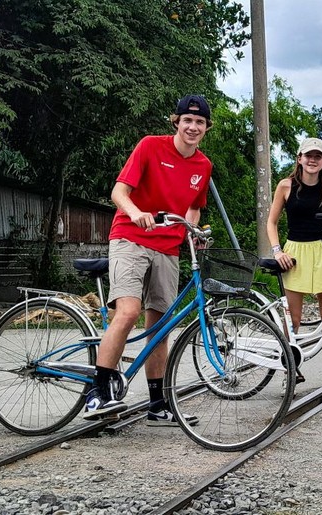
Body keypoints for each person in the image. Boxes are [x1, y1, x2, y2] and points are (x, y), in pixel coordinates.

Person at [83, 95, 213, 425]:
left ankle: (157, 404)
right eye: (187, 120)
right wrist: (137, 213)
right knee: (128, 311)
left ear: (206, 128)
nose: (192, 127)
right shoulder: (150, 147)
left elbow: (194, 207)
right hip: (131, 236)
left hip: (169, 247)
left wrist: (191, 230)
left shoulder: (203, 166)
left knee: (161, 328)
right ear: (177, 122)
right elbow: (118, 193)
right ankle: (96, 393)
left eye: (199, 122)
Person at [266, 137, 322, 391]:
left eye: (317, 156)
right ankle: (289, 369)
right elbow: (272, 222)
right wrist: (278, 251)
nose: (312, 160)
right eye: (308, 155)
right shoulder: (286, 186)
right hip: (295, 252)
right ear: (299, 158)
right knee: (294, 320)